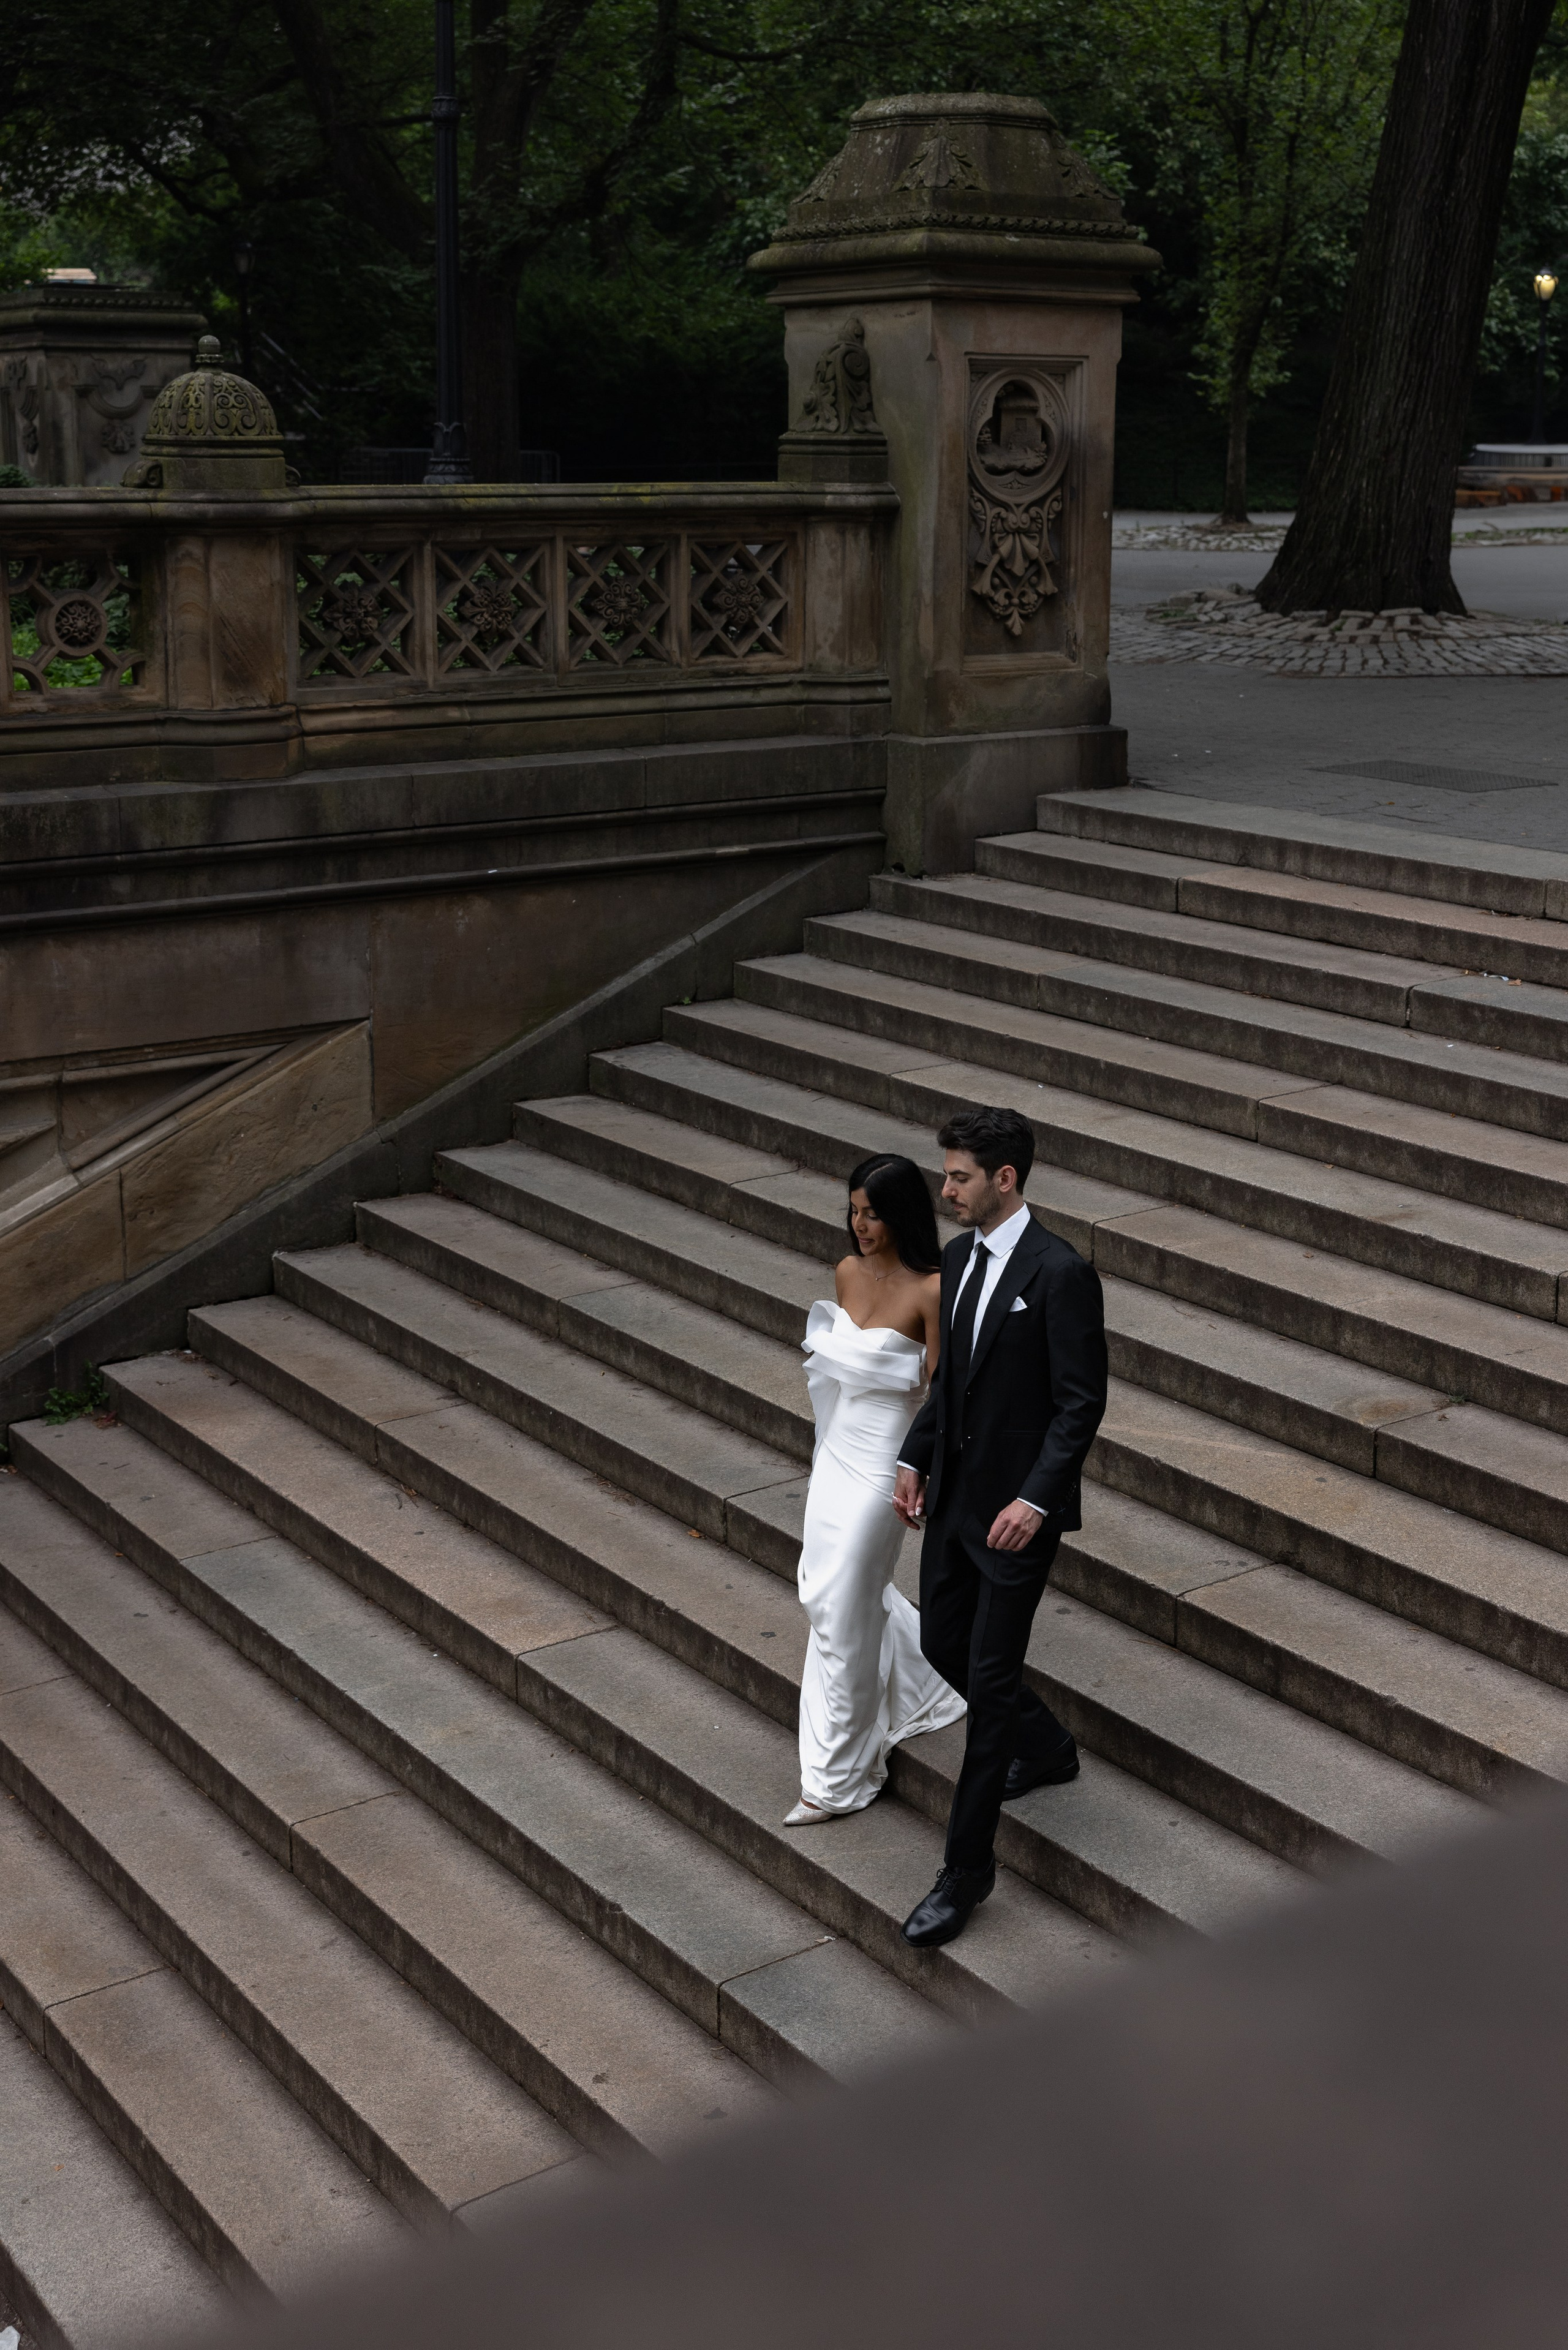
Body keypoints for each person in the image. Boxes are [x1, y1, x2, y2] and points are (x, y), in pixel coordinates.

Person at [892, 1107, 1107, 1947]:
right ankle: (1046, 1744)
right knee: (941, 1642)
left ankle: (965, 1870)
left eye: (960, 1177)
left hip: (1018, 1520)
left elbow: (1079, 1404)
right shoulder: (956, 1259)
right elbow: (952, 1382)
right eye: (947, 1175)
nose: (946, 1190)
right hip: (953, 1502)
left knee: (986, 1683)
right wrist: (915, 1456)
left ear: (1004, 1179)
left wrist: (1037, 1500)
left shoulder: (1061, 1272)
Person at [785, 1154, 967, 1825]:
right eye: (855, 1211)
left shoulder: (933, 1290)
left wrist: (923, 1472)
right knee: (826, 1591)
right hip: (837, 1451)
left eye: (873, 1214)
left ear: (902, 1216)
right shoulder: (846, 1271)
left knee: (840, 1604)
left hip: (889, 1462)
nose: (860, 1225)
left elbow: (944, 1395)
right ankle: (925, 1673)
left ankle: (838, 1778)